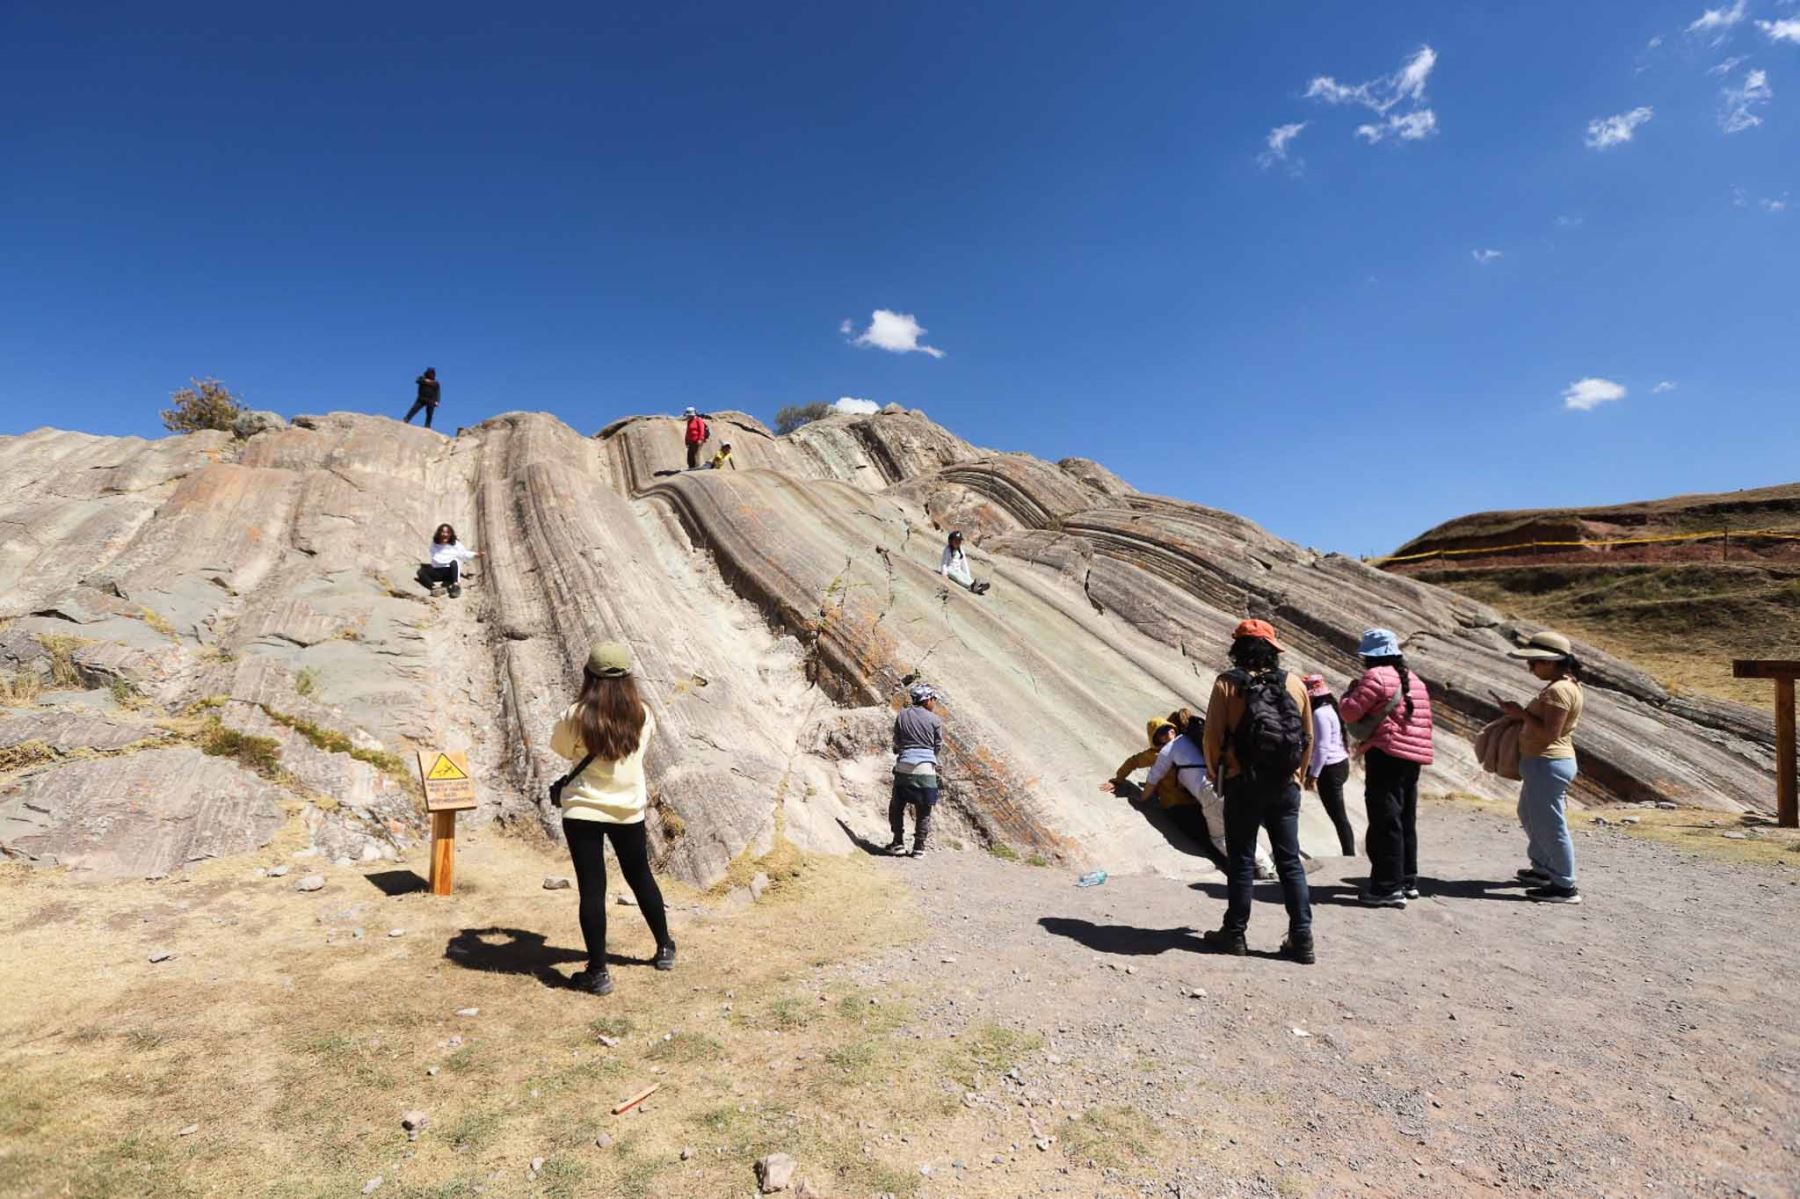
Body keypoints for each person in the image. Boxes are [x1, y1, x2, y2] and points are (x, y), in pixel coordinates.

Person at [548, 641, 677, 995]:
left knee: (592, 888)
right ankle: (665, 947)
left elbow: (560, 748)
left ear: (589, 674)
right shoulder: (643, 715)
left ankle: (598, 971)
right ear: (628, 676)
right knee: (640, 876)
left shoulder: (575, 716)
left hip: (583, 809)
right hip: (627, 809)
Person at [1200, 619, 1315, 963]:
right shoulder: (1294, 683)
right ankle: (1302, 939)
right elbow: (1307, 737)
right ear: (1272, 649)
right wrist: (1298, 776)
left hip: (1243, 783)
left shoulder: (1226, 684)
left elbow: (1212, 737)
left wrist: (1217, 773)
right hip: (1284, 783)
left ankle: (1234, 934)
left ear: (1237, 648)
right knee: (1290, 862)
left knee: (1241, 861)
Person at [1338, 628, 1434, 908]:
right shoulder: (1414, 679)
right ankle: (1407, 879)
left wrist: (1349, 693)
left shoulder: (1375, 677)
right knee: (1404, 817)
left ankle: (1386, 887)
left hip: (1386, 753)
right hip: (1413, 756)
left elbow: (1349, 712)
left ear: (1369, 656)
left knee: (1384, 820)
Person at [1115, 710, 1276, 876]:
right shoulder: (1194, 740)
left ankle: (1246, 868)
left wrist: (1141, 797)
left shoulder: (1167, 750)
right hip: (1229, 783)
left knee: (1219, 838)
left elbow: (1152, 779)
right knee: (1241, 829)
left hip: (1208, 792)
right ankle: (1267, 867)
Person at [1498, 630, 1586, 904]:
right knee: (1529, 814)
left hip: (1548, 762)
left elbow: (1551, 733)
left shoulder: (1559, 690)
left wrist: (1520, 714)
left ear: (1550, 661)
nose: (1530, 667)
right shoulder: (1566, 684)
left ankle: (1564, 885)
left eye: (1534, 662)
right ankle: (1544, 869)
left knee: (1550, 824)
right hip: (1544, 763)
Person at [1301, 675, 1356, 856]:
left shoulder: (1319, 713)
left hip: (1330, 769)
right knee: (1338, 814)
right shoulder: (1330, 708)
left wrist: (1313, 775)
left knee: (1338, 816)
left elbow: (1322, 747)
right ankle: (1348, 851)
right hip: (1339, 763)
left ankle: (1349, 854)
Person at [889, 683, 945, 856]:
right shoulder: (934, 720)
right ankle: (919, 848)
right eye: (933, 699)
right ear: (926, 700)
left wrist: (902, 750)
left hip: (904, 765)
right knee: (924, 809)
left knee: (897, 805)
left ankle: (898, 843)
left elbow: (897, 742)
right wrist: (930, 757)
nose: (934, 703)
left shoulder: (902, 715)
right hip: (926, 768)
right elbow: (938, 745)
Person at [423, 523, 481, 598]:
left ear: (450, 534)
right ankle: (435, 588)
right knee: (421, 572)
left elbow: (463, 554)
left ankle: (455, 586)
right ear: (439, 533)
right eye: (443, 532)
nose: (445, 534)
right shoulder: (435, 544)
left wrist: (475, 555)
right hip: (438, 571)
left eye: (447, 532)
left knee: (454, 562)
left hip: (450, 572)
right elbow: (435, 557)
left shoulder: (455, 544)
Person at [939, 531, 991, 596]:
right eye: (956, 541)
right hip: (950, 570)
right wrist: (944, 574)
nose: (958, 543)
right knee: (958, 577)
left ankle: (977, 585)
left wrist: (967, 575)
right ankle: (971, 586)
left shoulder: (961, 550)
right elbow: (944, 562)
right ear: (951, 541)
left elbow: (964, 564)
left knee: (963, 576)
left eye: (959, 541)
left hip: (957, 570)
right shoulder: (947, 550)